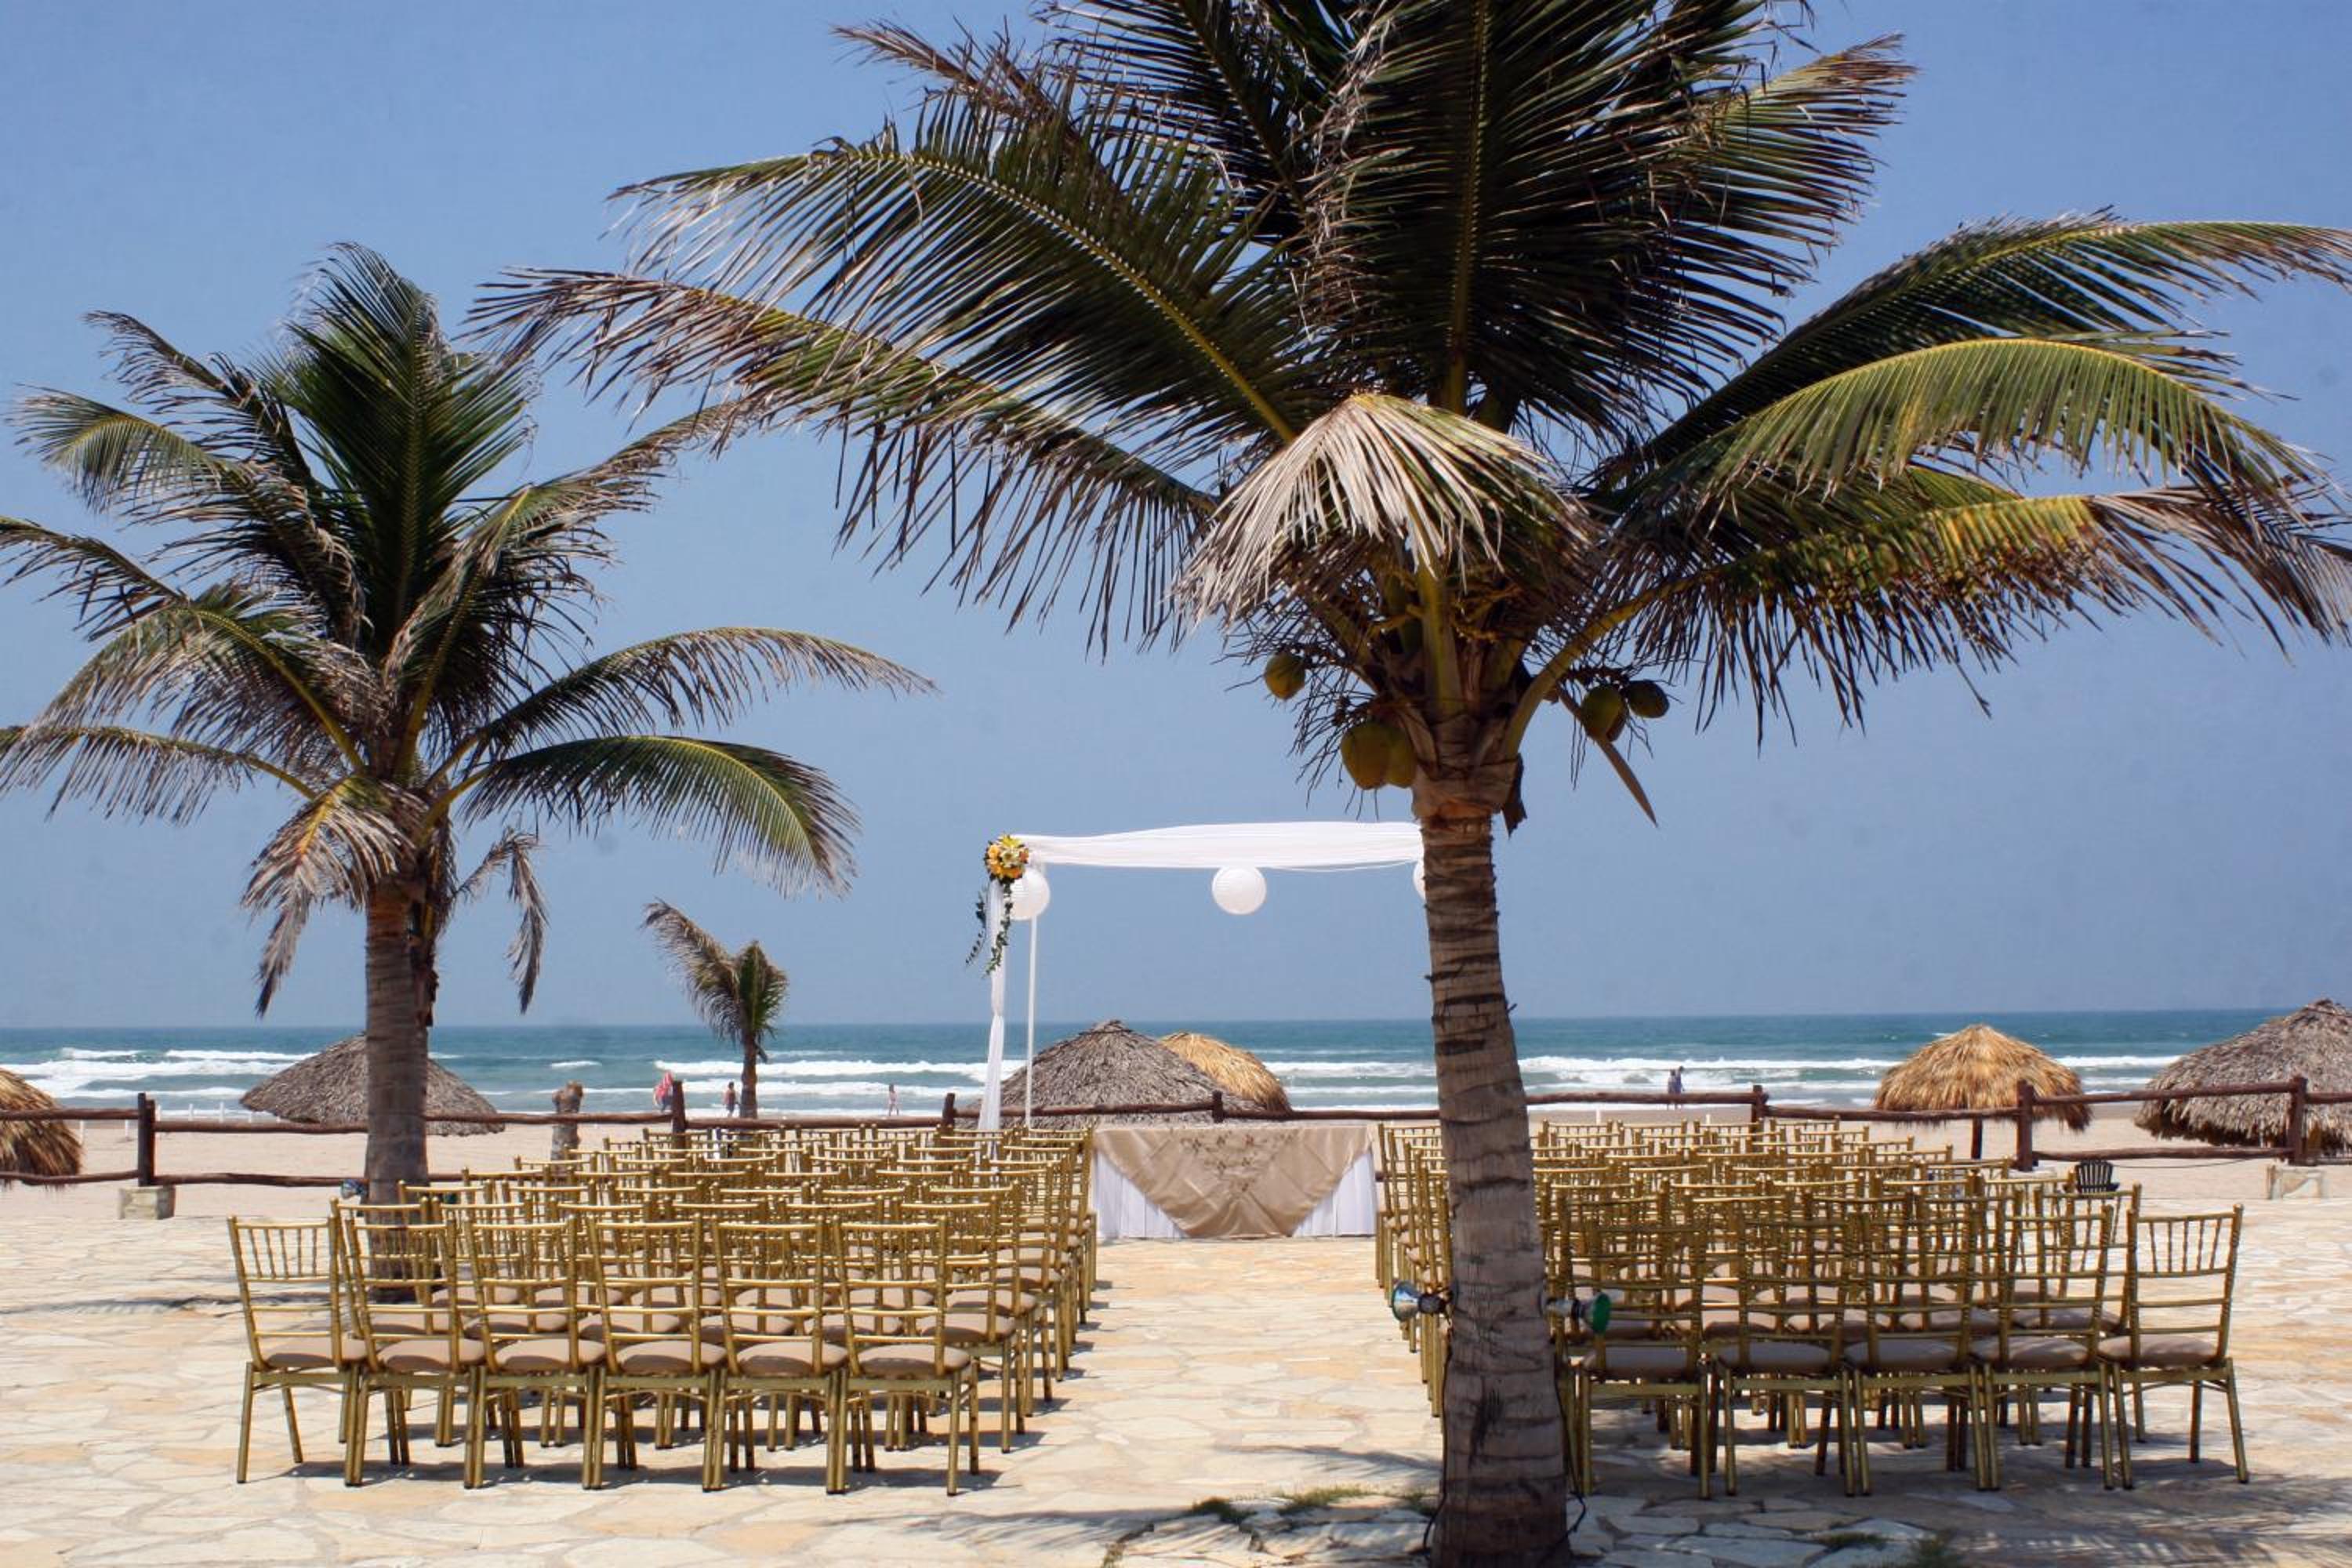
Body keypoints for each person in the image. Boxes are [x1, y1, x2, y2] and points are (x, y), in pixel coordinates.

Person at [550, 1080, 584, 1157]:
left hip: (559, 1125)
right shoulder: (574, 1097)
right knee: (568, 1148)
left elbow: (554, 1099)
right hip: (567, 1125)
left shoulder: (560, 1094)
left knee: (558, 1148)